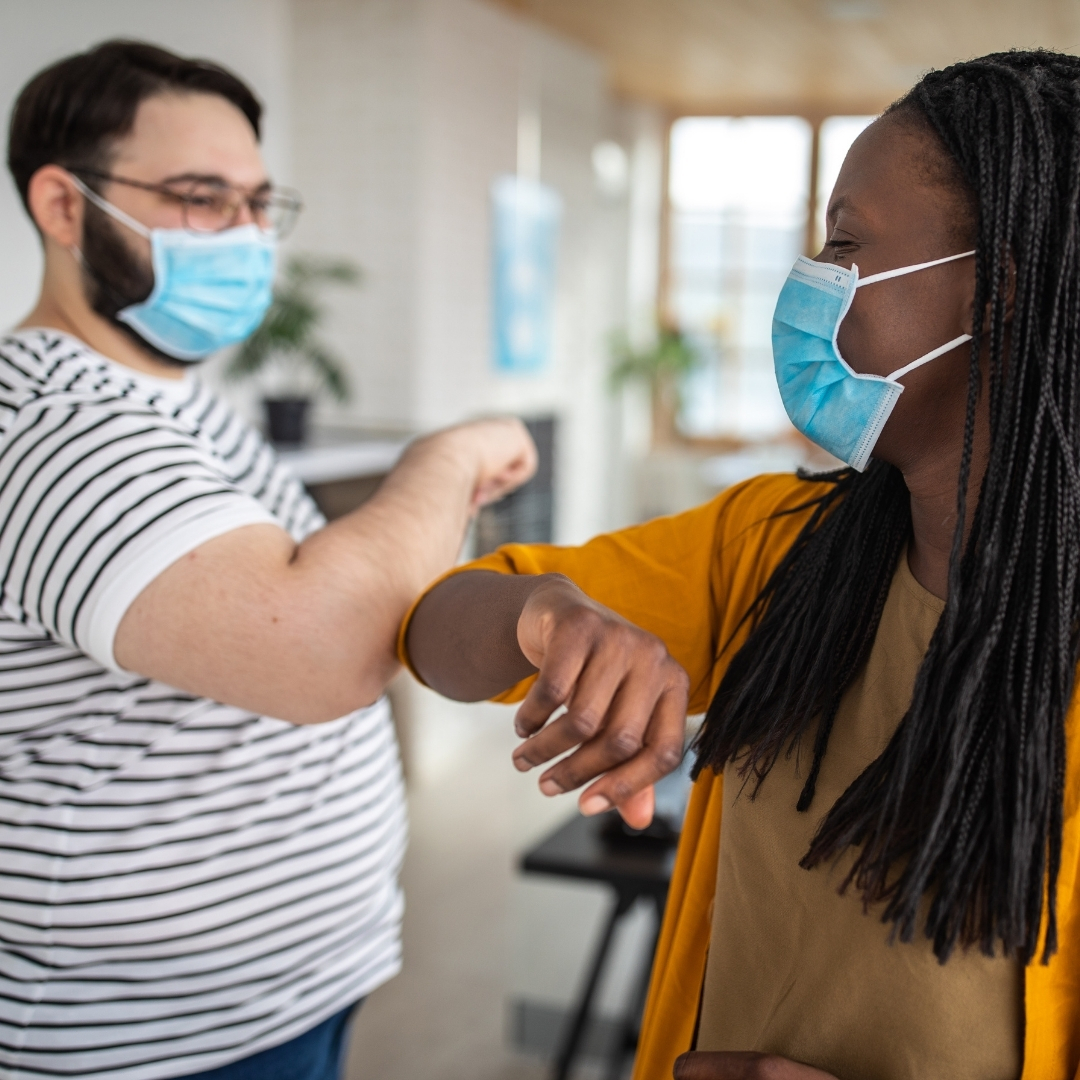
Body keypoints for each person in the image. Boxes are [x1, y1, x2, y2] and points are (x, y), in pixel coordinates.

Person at [402, 51, 1080, 1080]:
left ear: (1003, 298)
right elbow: (433, 625)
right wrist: (543, 614)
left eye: (845, 247)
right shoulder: (775, 546)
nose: (808, 287)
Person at [0, 40, 546, 1080]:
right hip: (139, 1041)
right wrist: (447, 456)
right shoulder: (50, 425)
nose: (246, 235)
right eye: (202, 197)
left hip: (279, 996)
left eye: (258, 202)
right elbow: (322, 649)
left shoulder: (175, 401)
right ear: (64, 209)